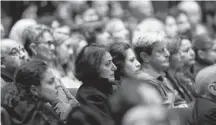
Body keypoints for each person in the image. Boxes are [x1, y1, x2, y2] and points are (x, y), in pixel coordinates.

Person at [1, 60, 64, 125]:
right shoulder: (37, 119)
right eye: (51, 82)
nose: (58, 85)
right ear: (34, 90)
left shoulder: (43, 107)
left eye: (56, 80)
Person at [75, 43, 117, 125]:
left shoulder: (106, 88)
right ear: (93, 69)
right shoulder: (89, 97)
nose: (115, 67)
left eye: (112, 62)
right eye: (107, 64)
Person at [133, 32, 176, 107]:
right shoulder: (146, 83)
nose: (168, 54)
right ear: (145, 56)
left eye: (166, 49)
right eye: (161, 51)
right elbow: (163, 115)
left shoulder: (161, 78)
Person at [166, 37, 195, 104]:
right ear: (168, 55)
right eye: (186, 50)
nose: (192, 53)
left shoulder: (177, 77)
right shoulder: (166, 81)